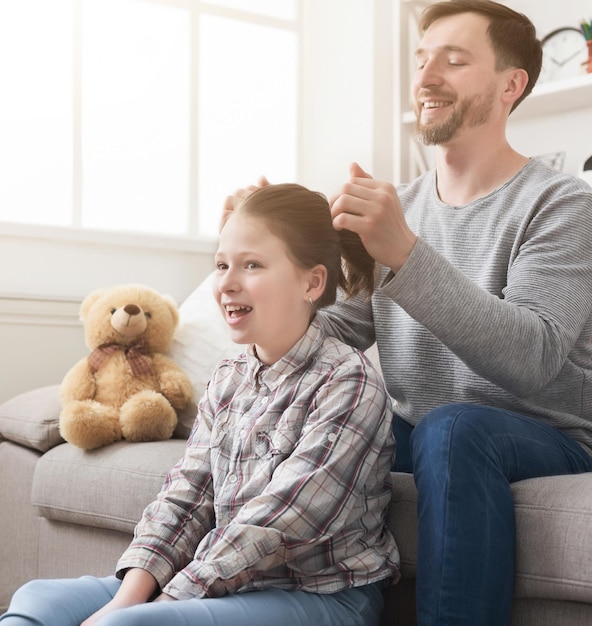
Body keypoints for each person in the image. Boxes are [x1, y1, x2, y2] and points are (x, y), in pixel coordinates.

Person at [224, 1, 592, 625]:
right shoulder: (403, 207)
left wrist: (404, 253)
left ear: (511, 85)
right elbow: (329, 335)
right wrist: (265, 265)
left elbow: (532, 357)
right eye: (421, 60)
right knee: (325, 407)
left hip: (545, 434)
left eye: (454, 61)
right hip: (421, 433)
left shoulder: (563, 205)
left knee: (454, 427)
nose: (425, 78)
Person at [0, 184, 399, 626]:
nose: (226, 284)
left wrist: (164, 603)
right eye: (222, 264)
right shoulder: (228, 377)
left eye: (252, 265)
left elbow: (277, 524)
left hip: (323, 595)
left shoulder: (349, 381)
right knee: (36, 600)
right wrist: (128, 597)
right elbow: (186, 495)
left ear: (312, 281)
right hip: (230, 585)